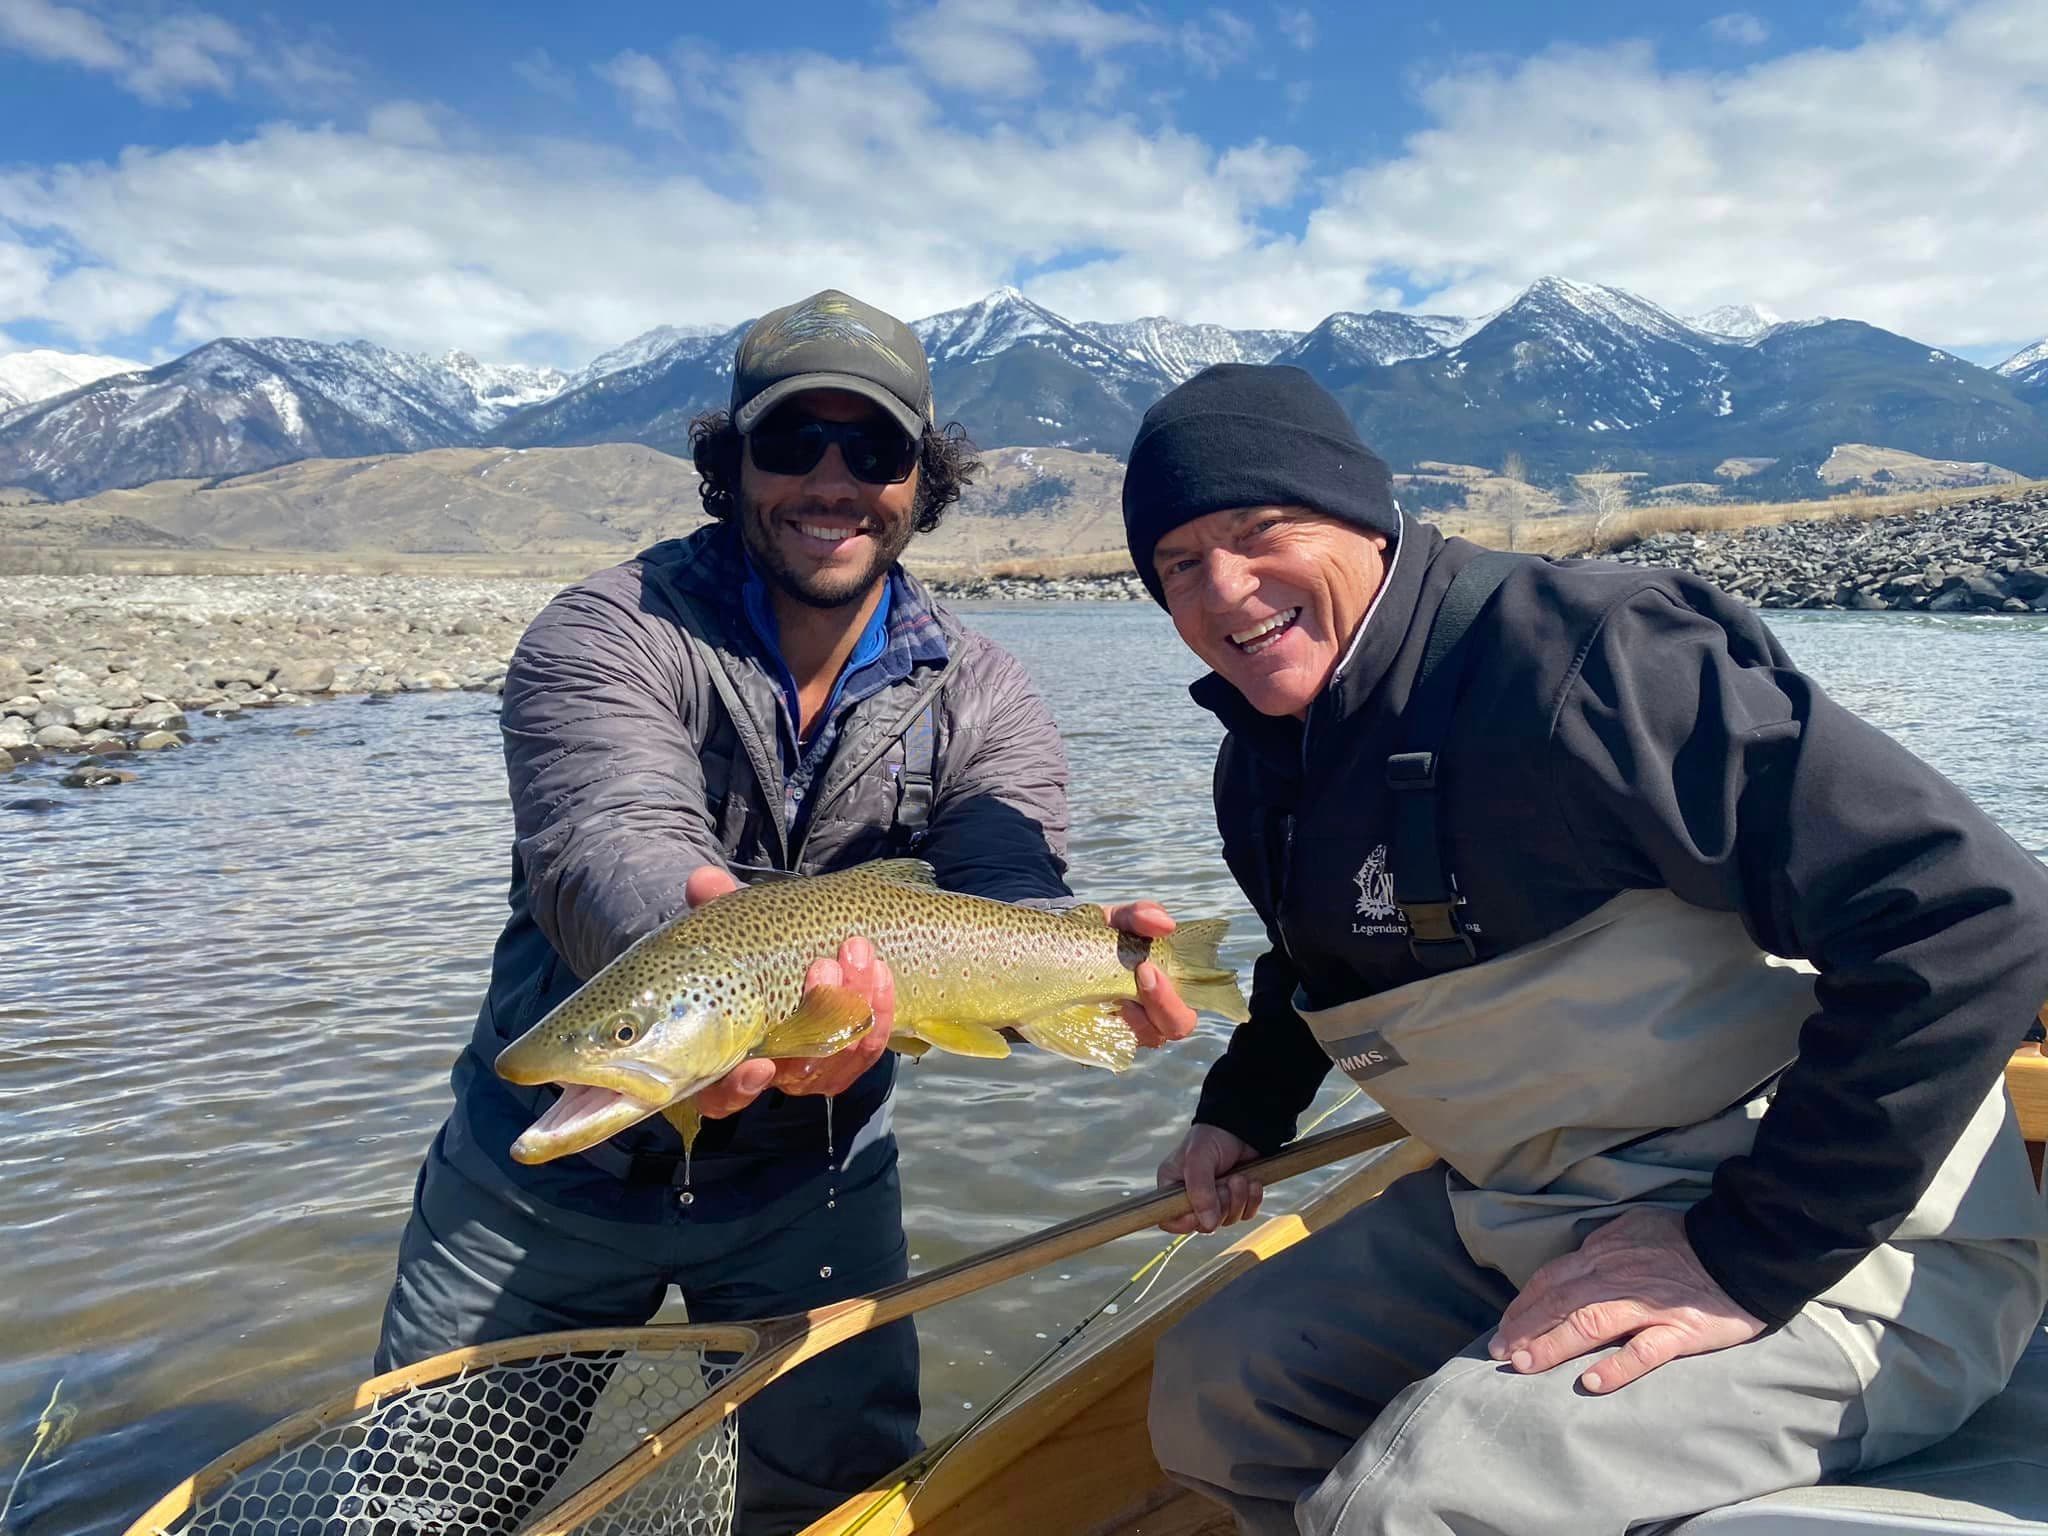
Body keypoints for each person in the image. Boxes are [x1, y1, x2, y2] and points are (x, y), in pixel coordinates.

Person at [1126, 363, 2048, 1535]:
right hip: (1531, 1202)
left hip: (1850, 1246)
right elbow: (1316, 959)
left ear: (1361, 516)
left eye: (1260, 529)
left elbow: (1971, 910)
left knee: (1410, 1507)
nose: (1222, 590)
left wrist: (1741, 1252)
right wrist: (1240, 1111)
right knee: (1219, 1393)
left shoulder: (1590, 660)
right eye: (1174, 566)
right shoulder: (1262, 759)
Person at [375, 289, 1198, 1535]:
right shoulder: (608, 632)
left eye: (872, 451)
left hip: (817, 1187)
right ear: (728, 463)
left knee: (842, 1505)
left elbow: (1001, 884)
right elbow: (604, 839)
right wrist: (698, 945)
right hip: (537, 1187)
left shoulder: (985, 695)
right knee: (427, 1507)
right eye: (790, 445)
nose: (831, 480)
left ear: (921, 481)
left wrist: (1086, 979)